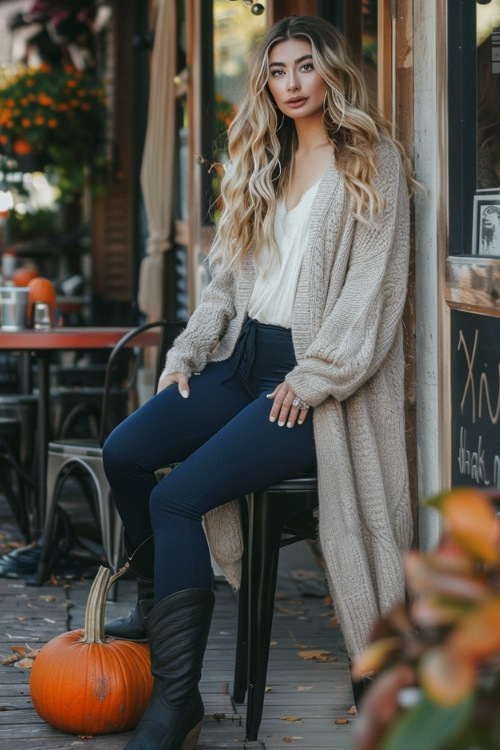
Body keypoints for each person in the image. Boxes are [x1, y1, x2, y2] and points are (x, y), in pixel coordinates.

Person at [102, 14, 417, 750]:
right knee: (125, 451)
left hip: (312, 386)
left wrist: (313, 381)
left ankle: (173, 703)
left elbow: (373, 297)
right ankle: (155, 605)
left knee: (177, 498)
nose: (292, 84)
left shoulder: (373, 162)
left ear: (332, 72)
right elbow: (226, 282)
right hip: (241, 363)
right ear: (266, 84)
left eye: (306, 67)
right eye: (278, 72)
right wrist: (187, 351)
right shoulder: (264, 161)